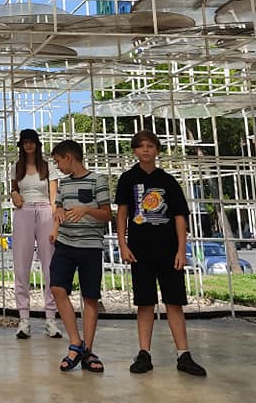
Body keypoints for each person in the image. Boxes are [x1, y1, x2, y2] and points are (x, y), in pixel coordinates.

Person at [116, 130, 207, 377]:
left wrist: (181, 249)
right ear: (134, 150)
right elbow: (122, 213)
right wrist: (122, 244)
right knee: (145, 302)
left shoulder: (168, 181)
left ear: (157, 150)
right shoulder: (128, 179)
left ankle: (183, 354)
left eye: (150, 145)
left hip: (168, 251)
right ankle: (144, 352)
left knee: (174, 302)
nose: (145, 150)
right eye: (141, 146)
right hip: (140, 251)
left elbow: (179, 217)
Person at [48, 140, 112, 373]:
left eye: (59, 161)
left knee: (90, 297)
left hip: (90, 245)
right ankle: (76, 342)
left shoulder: (98, 180)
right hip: (65, 243)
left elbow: (107, 214)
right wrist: (55, 228)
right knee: (57, 288)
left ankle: (88, 350)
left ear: (69, 157)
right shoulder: (63, 184)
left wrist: (86, 210)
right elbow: (58, 210)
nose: (58, 166)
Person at [9, 128, 62, 339]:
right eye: (25, 142)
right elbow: (14, 188)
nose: (28, 145)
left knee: (50, 265)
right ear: (21, 145)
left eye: (31, 141)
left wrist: (56, 224)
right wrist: (14, 193)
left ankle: (50, 318)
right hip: (24, 211)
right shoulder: (16, 167)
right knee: (21, 265)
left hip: (45, 210)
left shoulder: (48, 167)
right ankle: (24, 318)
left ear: (37, 144)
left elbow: (54, 196)